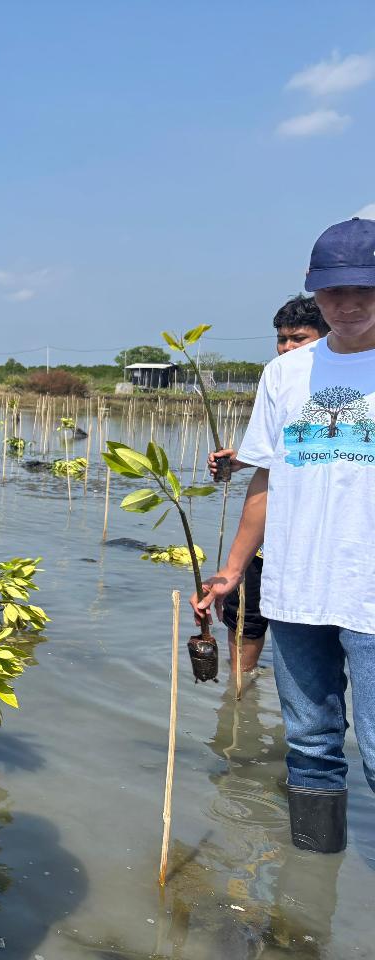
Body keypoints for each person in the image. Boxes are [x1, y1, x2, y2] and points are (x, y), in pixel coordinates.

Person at [193, 217, 375, 856]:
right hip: (297, 592)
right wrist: (233, 568)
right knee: (312, 748)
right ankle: (309, 902)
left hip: (371, 598)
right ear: (314, 291)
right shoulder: (285, 375)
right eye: (333, 292)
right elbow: (264, 480)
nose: (347, 305)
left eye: (364, 290)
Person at [205, 295, 328, 674]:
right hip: (267, 542)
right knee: (245, 618)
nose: (287, 348)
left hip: (318, 546)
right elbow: (279, 457)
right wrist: (240, 459)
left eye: (298, 338)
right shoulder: (278, 378)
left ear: (327, 336)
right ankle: (239, 694)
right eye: (282, 338)